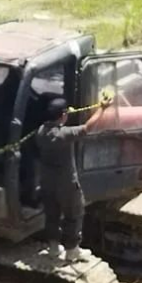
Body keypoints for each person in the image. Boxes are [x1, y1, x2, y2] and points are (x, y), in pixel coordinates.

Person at [36, 95, 110, 262]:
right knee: (74, 214)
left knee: (52, 214)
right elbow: (87, 128)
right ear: (62, 115)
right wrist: (102, 109)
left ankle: (53, 248)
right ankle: (72, 251)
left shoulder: (40, 131)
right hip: (66, 185)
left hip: (47, 183)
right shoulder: (64, 134)